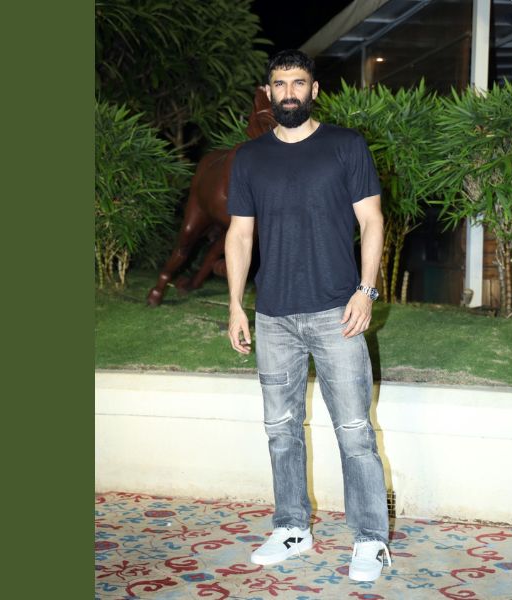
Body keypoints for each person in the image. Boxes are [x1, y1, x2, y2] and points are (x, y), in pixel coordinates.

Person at [224, 49, 391, 583]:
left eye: (299, 83)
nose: (289, 92)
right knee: (280, 430)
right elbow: (240, 234)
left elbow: (371, 221)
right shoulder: (250, 158)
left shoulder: (345, 145)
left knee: (355, 431)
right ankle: (293, 527)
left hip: (338, 312)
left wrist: (366, 290)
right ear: (268, 92)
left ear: (314, 90)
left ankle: (371, 539)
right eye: (280, 84)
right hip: (274, 315)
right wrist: (235, 304)